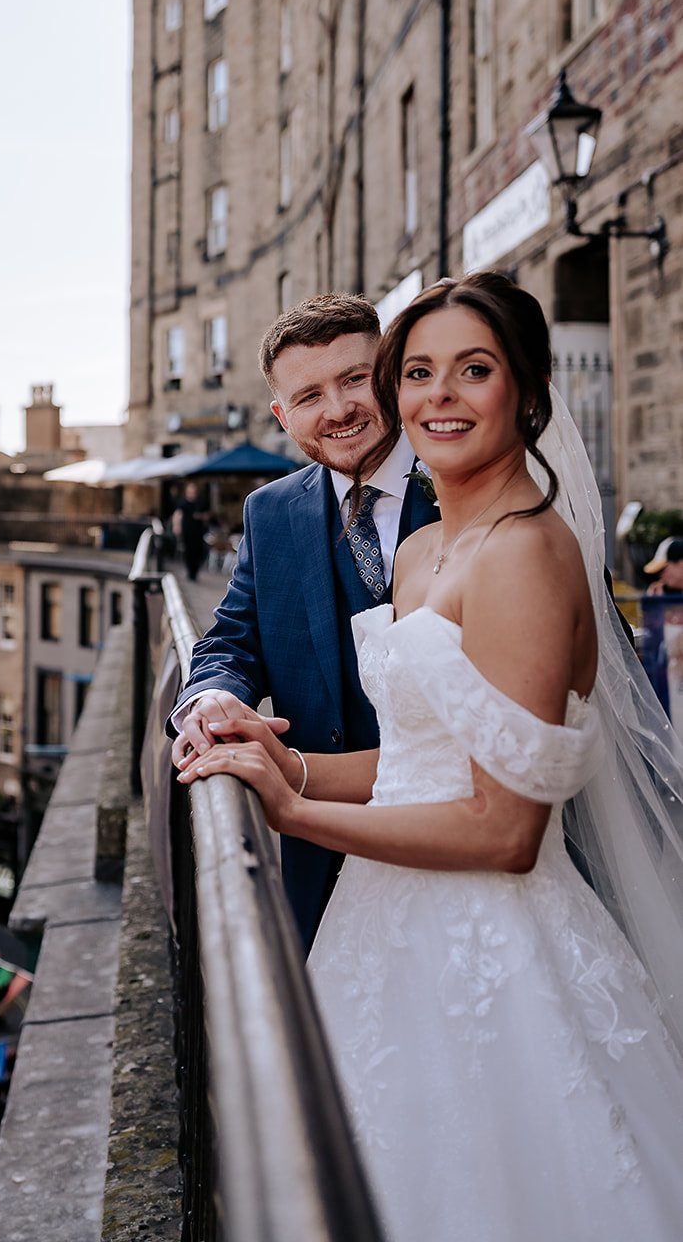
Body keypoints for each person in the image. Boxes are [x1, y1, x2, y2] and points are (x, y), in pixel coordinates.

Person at [179, 270, 683, 1242]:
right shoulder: (411, 550)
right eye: (418, 371)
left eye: (471, 369)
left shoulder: (522, 550)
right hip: (374, 922)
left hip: (498, 937)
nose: (435, 396)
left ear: (524, 391)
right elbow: (420, 753)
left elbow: (503, 825)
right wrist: (265, 753)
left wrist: (291, 813)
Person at [171, 293, 438, 949]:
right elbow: (232, 640)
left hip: (462, 844)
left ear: (390, 372)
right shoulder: (268, 513)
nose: (339, 408)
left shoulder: (471, 483)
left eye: (354, 378)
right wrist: (211, 703)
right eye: (309, 395)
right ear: (281, 415)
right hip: (325, 864)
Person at [173, 481, 209, 581]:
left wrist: (200, 516)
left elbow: (207, 516)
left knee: (198, 551)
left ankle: (194, 571)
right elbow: (178, 515)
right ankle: (190, 572)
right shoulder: (183, 502)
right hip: (187, 530)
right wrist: (176, 527)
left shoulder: (201, 502)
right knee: (188, 551)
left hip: (198, 531)